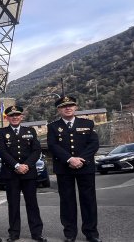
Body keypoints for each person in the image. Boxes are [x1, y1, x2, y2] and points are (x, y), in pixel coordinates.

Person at [47, 96, 101, 242]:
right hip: (64, 169)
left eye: (71, 105)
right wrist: (70, 159)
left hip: (85, 167)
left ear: (76, 107)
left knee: (88, 200)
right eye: (64, 106)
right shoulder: (52, 127)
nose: (68, 107)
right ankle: (70, 234)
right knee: (67, 201)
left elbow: (94, 144)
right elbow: (53, 146)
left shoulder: (87, 123)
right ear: (59, 110)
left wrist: (81, 159)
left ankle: (91, 233)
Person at [0, 106, 47, 242]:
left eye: (17, 115)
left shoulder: (30, 131)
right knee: (13, 204)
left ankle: (37, 233)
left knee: (32, 204)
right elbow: (2, 151)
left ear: (21, 117)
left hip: (28, 173)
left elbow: (36, 150)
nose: (15, 117)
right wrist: (17, 165)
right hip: (11, 173)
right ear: (7, 117)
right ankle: (13, 233)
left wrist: (26, 165)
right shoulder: (1, 132)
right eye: (12, 115)